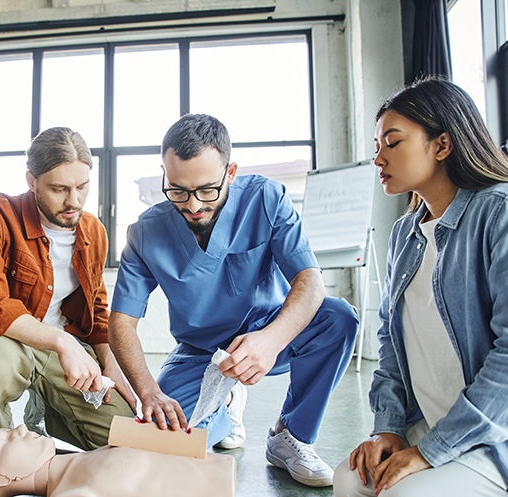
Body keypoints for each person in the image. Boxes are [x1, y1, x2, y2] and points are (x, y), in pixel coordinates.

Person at [108, 113, 359, 487]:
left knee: (339, 318)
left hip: (271, 332)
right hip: (200, 351)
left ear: (231, 172)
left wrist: (271, 341)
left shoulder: (267, 198)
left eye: (207, 190)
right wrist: (149, 392)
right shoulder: (145, 232)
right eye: (177, 190)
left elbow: (310, 282)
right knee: (165, 441)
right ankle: (224, 403)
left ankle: (292, 436)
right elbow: (121, 323)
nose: (193, 205)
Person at [333, 78, 508, 497]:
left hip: (498, 436)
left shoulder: (506, 210)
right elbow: (390, 341)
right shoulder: (404, 233)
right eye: (377, 145)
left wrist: (431, 451)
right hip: (434, 420)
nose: (378, 158)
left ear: (442, 145)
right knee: (351, 480)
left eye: (393, 142)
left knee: (401, 493)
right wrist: (388, 428)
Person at [0, 127, 135, 452]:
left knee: (126, 438)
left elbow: (97, 303)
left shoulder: (93, 231)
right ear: (32, 181)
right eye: (59, 189)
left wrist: (109, 360)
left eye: (82, 187)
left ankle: (48, 411)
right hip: (6, 341)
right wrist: (62, 342)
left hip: (65, 348)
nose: (73, 201)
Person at [0, 425, 237, 497]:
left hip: (219, 469)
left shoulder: (80, 462)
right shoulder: (72, 492)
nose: (20, 429)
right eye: (6, 440)